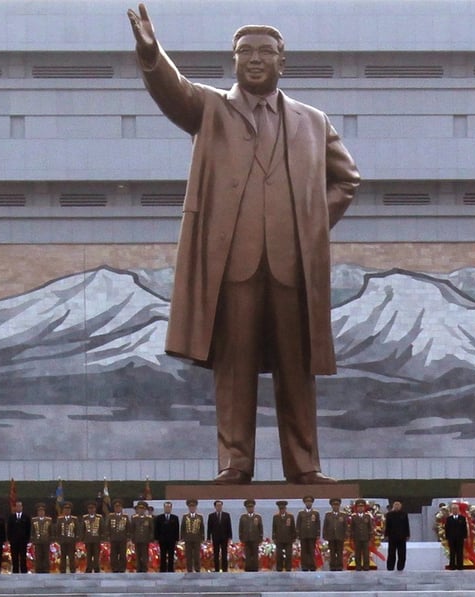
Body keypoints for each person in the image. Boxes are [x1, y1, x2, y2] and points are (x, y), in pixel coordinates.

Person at [127, 3, 360, 487]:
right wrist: (152, 53)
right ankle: (235, 463)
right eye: (245, 51)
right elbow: (175, 93)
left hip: (292, 267)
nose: (255, 59)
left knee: (298, 370)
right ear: (233, 61)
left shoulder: (312, 121)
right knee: (233, 371)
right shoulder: (211, 109)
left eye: (266, 52)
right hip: (233, 268)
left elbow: (347, 180)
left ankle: (305, 465)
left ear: (282, 62)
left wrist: (312, 226)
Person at [238, 499, 264, 572]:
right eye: (248, 507)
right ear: (246, 508)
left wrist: (260, 538)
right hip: (246, 539)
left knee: (255, 555)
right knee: (248, 555)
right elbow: (240, 528)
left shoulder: (258, 517)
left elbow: (260, 528)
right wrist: (241, 537)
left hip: (255, 539)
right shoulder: (243, 517)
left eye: (251, 507)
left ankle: (255, 569)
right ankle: (248, 569)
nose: (250, 509)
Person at [384, 500, 410, 571]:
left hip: (402, 537)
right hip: (392, 537)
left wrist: (407, 535)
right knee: (391, 554)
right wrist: (386, 535)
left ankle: (400, 568)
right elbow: (387, 526)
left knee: (402, 554)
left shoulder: (404, 514)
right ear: (393, 506)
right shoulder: (389, 515)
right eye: (395, 505)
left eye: (398, 505)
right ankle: (390, 568)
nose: (397, 506)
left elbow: (406, 525)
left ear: (401, 506)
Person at [207, 499, 232, 572]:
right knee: (216, 554)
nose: (219, 507)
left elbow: (229, 526)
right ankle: (217, 569)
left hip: (224, 537)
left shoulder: (226, 515)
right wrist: (208, 537)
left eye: (220, 505)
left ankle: (225, 569)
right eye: (218, 506)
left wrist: (230, 537)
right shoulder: (211, 516)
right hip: (215, 538)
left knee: (224, 554)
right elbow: (209, 528)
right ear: (215, 507)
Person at [323, 497, 348, 571]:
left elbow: (345, 526)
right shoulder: (328, 515)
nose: (335, 506)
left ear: (339, 506)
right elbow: (325, 525)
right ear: (331, 506)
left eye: (337, 505)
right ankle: (333, 566)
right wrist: (325, 535)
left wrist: (346, 535)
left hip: (340, 536)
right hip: (331, 536)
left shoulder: (343, 515)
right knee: (332, 552)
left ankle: (339, 566)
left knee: (340, 552)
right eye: (334, 505)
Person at [297, 495, 321, 571]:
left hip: (312, 535)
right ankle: (304, 566)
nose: (308, 503)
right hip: (303, 535)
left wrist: (318, 534)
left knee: (311, 551)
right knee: (304, 551)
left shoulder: (315, 513)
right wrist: (298, 534)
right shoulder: (301, 513)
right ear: (304, 503)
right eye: (307, 502)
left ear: (312, 503)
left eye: (310, 502)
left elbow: (318, 524)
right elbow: (298, 524)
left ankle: (312, 566)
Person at [180, 498, 205, 572]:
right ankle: (189, 569)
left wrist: (202, 537)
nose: (192, 508)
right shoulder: (185, 516)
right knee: (188, 555)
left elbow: (202, 528)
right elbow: (183, 527)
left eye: (193, 507)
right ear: (188, 508)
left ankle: (197, 569)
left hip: (197, 538)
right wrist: (182, 537)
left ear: (195, 507)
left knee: (197, 555)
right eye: (190, 507)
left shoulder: (200, 517)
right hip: (188, 539)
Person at [7, 499, 31, 574]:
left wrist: (27, 539)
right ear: (15, 507)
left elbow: (28, 529)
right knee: (14, 557)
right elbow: (9, 529)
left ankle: (24, 571)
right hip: (14, 541)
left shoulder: (26, 517)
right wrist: (10, 539)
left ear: (22, 507)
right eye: (17, 506)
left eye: (20, 506)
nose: (18, 507)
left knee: (23, 557)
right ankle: (15, 571)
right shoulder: (11, 517)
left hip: (23, 541)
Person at [107, 499, 131, 573]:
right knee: (113, 555)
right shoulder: (110, 516)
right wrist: (108, 536)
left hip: (122, 539)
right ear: (114, 508)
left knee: (122, 554)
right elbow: (107, 527)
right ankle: (114, 568)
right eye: (116, 507)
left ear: (121, 508)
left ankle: (122, 568)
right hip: (113, 538)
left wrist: (128, 537)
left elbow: (128, 527)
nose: (118, 508)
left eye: (119, 507)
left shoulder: (125, 517)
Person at [155, 501, 179, 572]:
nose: (167, 509)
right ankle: (162, 569)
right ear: (164, 508)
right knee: (163, 555)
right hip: (162, 540)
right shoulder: (159, 518)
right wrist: (156, 538)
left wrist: (177, 539)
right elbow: (156, 529)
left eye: (169, 507)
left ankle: (170, 569)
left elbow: (177, 529)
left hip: (171, 540)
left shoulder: (175, 518)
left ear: (171, 508)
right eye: (166, 507)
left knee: (171, 555)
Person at [130, 501, 155, 573]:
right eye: (139, 509)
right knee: (138, 554)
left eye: (143, 509)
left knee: (145, 555)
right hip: (137, 539)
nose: (141, 510)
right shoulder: (134, 518)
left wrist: (151, 538)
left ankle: (144, 568)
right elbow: (132, 529)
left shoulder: (149, 518)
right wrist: (132, 538)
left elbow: (151, 529)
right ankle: (138, 568)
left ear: (145, 510)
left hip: (145, 539)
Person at [350, 499, 374, 571]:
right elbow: (352, 528)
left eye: (362, 507)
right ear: (356, 508)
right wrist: (352, 538)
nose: (360, 508)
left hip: (366, 538)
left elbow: (370, 528)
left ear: (364, 508)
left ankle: (366, 566)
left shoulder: (368, 516)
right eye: (359, 507)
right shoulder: (354, 517)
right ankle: (358, 566)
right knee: (357, 553)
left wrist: (370, 539)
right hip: (357, 538)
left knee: (366, 553)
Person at [272, 500, 297, 571]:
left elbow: (293, 527)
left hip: (288, 539)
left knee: (288, 555)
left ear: (285, 508)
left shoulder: (290, 516)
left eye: (283, 508)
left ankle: (288, 568)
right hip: (279, 539)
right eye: (280, 509)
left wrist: (294, 537)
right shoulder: (276, 517)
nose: (282, 510)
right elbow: (274, 528)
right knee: (279, 555)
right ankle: (279, 568)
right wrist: (274, 537)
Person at [56, 502, 80, 573]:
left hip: (71, 541)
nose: (67, 511)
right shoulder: (60, 519)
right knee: (63, 556)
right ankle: (62, 570)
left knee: (71, 556)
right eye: (65, 509)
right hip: (63, 541)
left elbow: (77, 530)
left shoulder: (74, 519)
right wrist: (58, 540)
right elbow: (58, 530)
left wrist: (76, 539)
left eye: (68, 509)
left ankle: (72, 570)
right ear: (63, 510)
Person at [30, 502, 53, 574]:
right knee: (38, 556)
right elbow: (32, 531)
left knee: (46, 556)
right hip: (37, 541)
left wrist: (51, 539)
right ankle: (38, 570)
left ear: (44, 512)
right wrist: (33, 539)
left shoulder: (49, 520)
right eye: (39, 511)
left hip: (46, 541)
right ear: (37, 512)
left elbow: (51, 531)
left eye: (42, 511)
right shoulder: (34, 520)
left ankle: (46, 569)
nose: (41, 512)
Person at [81, 501, 104, 573]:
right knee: (88, 555)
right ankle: (89, 568)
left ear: (95, 509)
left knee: (96, 555)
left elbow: (102, 528)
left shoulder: (99, 517)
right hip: (88, 539)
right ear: (88, 509)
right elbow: (82, 529)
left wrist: (102, 538)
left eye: (92, 508)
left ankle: (97, 568)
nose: (91, 510)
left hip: (96, 539)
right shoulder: (85, 518)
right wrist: (82, 538)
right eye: (89, 508)